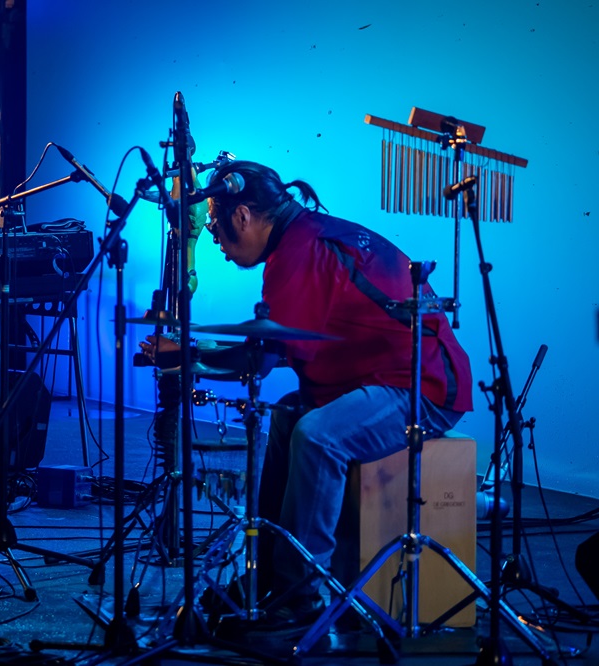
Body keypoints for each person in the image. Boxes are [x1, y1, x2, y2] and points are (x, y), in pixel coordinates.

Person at [140, 160, 473, 630]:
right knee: (286, 416)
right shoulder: (304, 236)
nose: (214, 240)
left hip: (424, 387)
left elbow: (261, 359)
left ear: (243, 216)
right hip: (380, 377)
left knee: (318, 436)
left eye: (214, 226)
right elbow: (275, 345)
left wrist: (186, 355)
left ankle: (300, 594)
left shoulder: (300, 251)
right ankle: (267, 577)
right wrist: (194, 352)